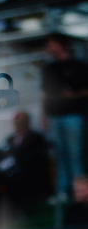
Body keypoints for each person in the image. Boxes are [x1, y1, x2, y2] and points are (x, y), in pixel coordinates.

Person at [41, 33, 88, 202]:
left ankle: (80, 192)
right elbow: (45, 93)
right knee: (59, 156)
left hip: (74, 116)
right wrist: (44, 116)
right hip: (55, 117)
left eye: (52, 44)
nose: (49, 48)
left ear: (61, 45)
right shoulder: (49, 68)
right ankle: (62, 191)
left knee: (75, 155)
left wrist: (74, 95)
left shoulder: (79, 66)